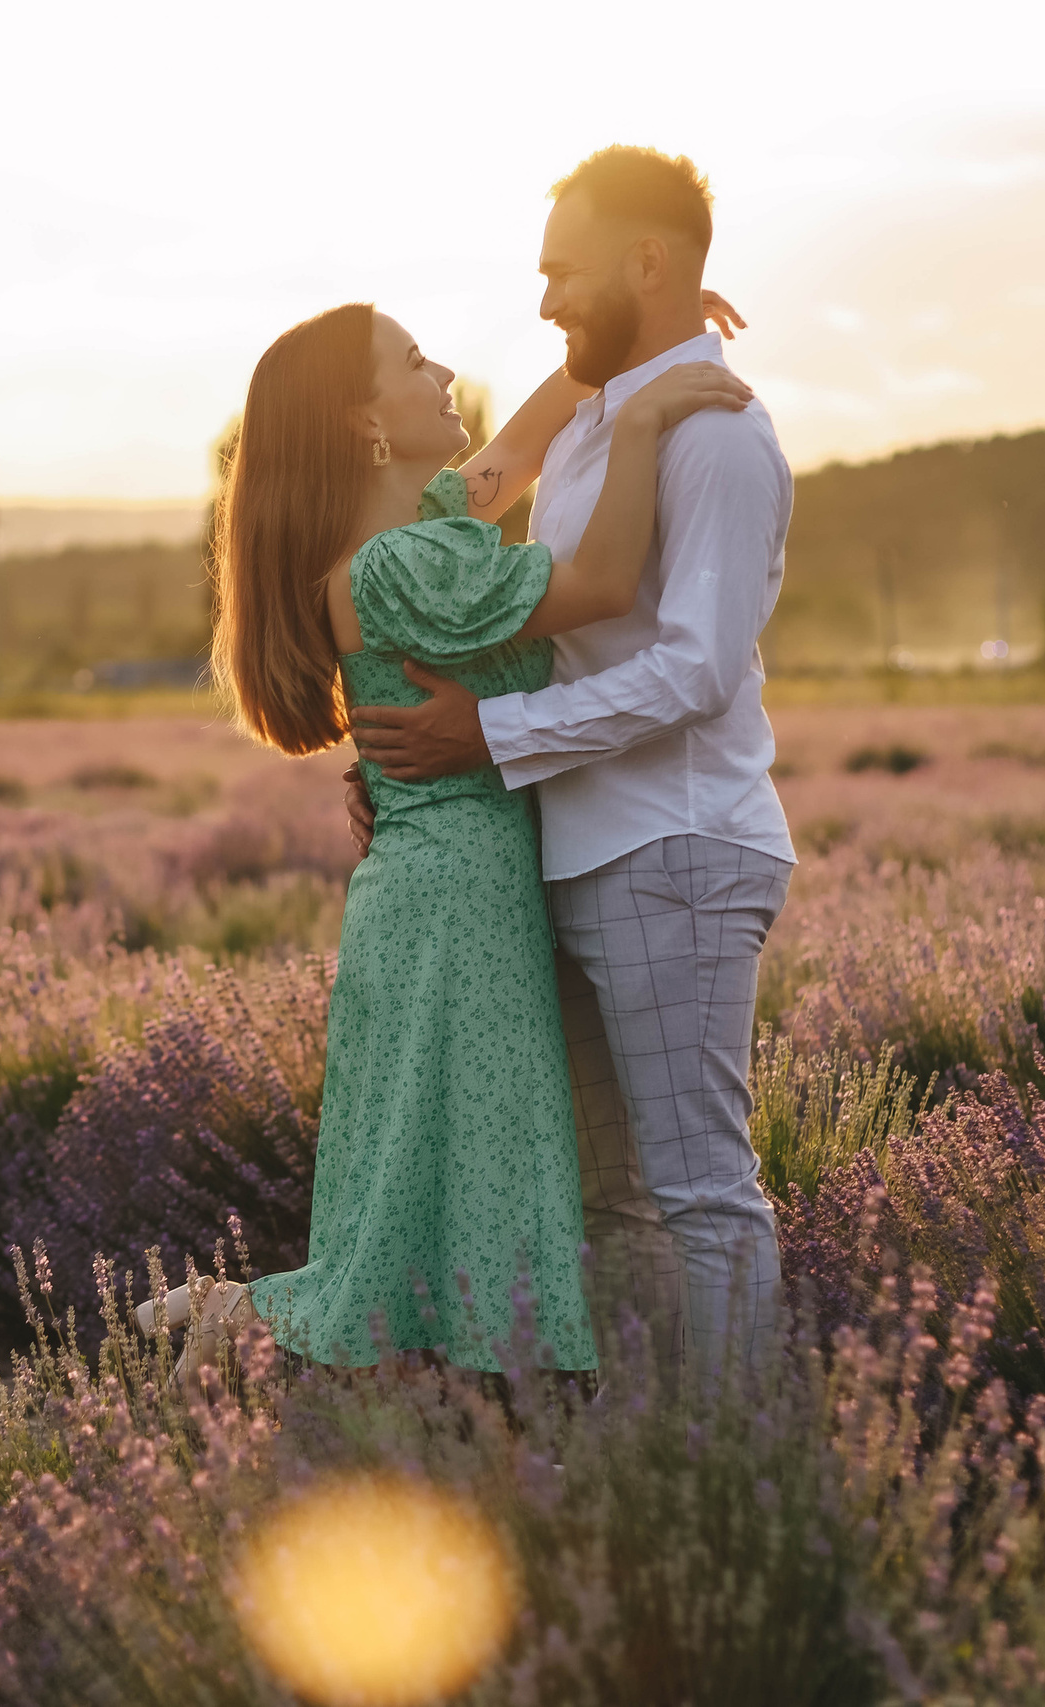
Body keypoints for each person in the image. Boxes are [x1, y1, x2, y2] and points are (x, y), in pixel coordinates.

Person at [136, 294, 752, 1386]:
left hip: (434, 891)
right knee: (468, 1183)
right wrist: (645, 419)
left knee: (430, 1184)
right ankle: (275, 1334)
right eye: (415, 361)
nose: (444, 373)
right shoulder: (403, 565)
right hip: (462, 901)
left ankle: (252, 1324)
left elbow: (522, 442)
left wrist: (635, 327)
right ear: (364, 423)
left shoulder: (414, 533)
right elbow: (604, 582)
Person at [349, 148, 797, 1387]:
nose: (544, 300)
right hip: (582, 850)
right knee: (609, 1204)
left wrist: (489, 736)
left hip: (674, 847)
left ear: (645, 262)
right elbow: (478, 522)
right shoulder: (608, 422)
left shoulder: (716, 436)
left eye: (563, 272)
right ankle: (645, 1448)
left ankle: (738, 1459)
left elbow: (694, 670)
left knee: (701, 1195)